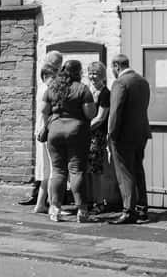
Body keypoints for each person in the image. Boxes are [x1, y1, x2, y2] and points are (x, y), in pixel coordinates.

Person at [39, 59, 98, 223]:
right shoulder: (82, 89)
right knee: (76, 170)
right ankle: (82, 210)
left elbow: (44, 110)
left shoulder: (53, 87)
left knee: (57, 171)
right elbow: (90, 114)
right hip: (76, 132)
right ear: (78, 72)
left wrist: (47, 124)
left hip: (55, 131)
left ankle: (55, 209)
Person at [107, 54, 151, 224]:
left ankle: (128, 210)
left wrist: (111, 134)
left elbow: (115, 111)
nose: (112, 71)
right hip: (141, 132)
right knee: (138, 170)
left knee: (124, 172)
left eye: (113, 68)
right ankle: (142, 208)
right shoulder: (142, 81)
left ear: (117, 66)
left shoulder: (120, 83)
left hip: (123, 134)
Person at [22, 51, 64, 212]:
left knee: (47, 170)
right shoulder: (49, 87)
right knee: (53, 169)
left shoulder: (42, 86)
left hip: (41, 130)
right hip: (47, 131)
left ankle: (40, 204)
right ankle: (53, 205)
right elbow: (47, 112)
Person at [84, 60, 112, 215]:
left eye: (96, 74)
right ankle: (87, 201)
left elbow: (101, 118)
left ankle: (99, 203)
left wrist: (83, 129)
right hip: (85, 135)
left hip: (97, 136)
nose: (92, 76)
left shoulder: (105, 93)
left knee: (95, 170)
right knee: (84, 170)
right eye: (90, 73)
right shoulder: (88, 90)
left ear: (102, 76)